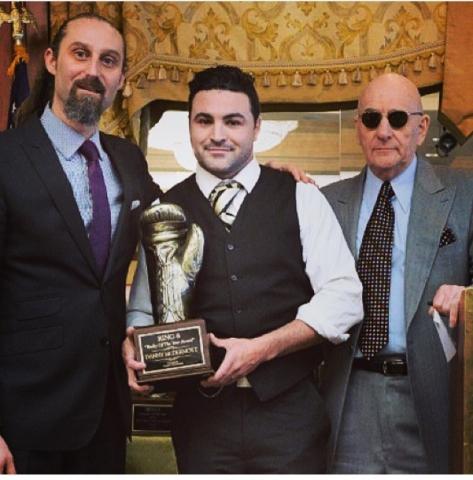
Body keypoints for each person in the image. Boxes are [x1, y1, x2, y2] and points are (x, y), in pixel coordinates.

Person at [123, 65, 363, 474]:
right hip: (201, 422)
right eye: (205, 120)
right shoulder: (165, 212)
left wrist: (261, 350)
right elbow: (143, 312)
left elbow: (344, 298)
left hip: (290, 416)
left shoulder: (300, 197)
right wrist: (134, 346)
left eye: (233, 121)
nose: (218, 134)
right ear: (190, 127)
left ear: (256, 127)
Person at [0, 13, 162, 474]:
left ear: (120, 78)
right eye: (80, 53)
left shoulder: (128, 160)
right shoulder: (5, 159)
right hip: (23, 424)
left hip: (107, 416)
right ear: (51, 61)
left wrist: (268, 178)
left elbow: (179, 219)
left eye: (108, 60)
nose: (93, 70)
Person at [321, 73, 473, 474]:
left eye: (398, 119)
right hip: (349, 393)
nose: (384, 131)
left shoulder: (464, 195)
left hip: (433, 396)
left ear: (421, 127)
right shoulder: (325, 204)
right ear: (358, 128)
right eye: (371, 119)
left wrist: (468, 296)